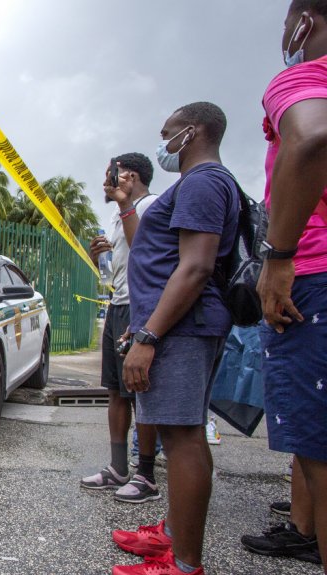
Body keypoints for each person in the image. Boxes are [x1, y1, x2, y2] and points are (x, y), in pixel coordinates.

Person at [110, 102, 241, 575]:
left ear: (193, 132)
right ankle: (171, 536)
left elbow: (196, 266)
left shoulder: (204, 181)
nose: (163, 143)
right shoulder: (196, 184)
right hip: (175, 326)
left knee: (183, 438)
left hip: (183, 330)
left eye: (168, 133)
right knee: (177, 430)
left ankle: (183, 564)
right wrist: (143, 323)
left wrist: (149, 334)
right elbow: (164, 257)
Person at [252, 1, 327, 571]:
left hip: (313, 278)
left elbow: (308, 138)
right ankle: (304, 529)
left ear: (304, 23)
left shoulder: (304, 79)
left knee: (317, 442)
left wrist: (279, 257)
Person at [80, 153, 162, 504]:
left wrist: (126, 204)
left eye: (110, 174)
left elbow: (146, 248)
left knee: (140, 393)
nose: (106, 182)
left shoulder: (154, 204)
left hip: (142, 307)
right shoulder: (117, 214)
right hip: (118, 305)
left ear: (129, 174)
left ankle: (146, 474)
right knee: (115, 390)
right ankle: (118, 468)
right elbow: (121, 259)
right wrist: (98, 253)